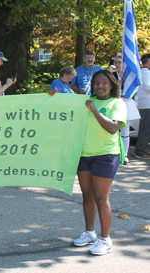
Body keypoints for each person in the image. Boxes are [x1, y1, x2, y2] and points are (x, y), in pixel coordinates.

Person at [49, 70, 127, 255]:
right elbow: (62, 110)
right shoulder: (83, 101)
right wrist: (53, 97)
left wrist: (94, 110)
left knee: (101, 197)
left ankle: (106, 239)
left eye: (104, 83)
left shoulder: (117, 103)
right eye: (96, 83)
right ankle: (90, 233)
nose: (99, 86)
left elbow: (112, 128)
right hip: (84, 154)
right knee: (87, 196)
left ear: (111, 84)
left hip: (106, 155)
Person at [112, 54, 140, 164]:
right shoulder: (112, 75)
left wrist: (121, 88)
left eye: (119, 62)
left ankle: (124, 154)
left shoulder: (131, 76)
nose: (117, 65)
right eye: (116, 62)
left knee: (125, 131)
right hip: (114, 103)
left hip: (126, 103)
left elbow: (133, 90)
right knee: (112, 130)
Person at [134, 54, 150, 158]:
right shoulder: (146, 71)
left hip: (146, 103)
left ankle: (142, 149)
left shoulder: (144, 71)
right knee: (145, 128)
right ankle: (140, 151)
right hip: (146, 104)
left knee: (146, 128)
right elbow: (147, 86)